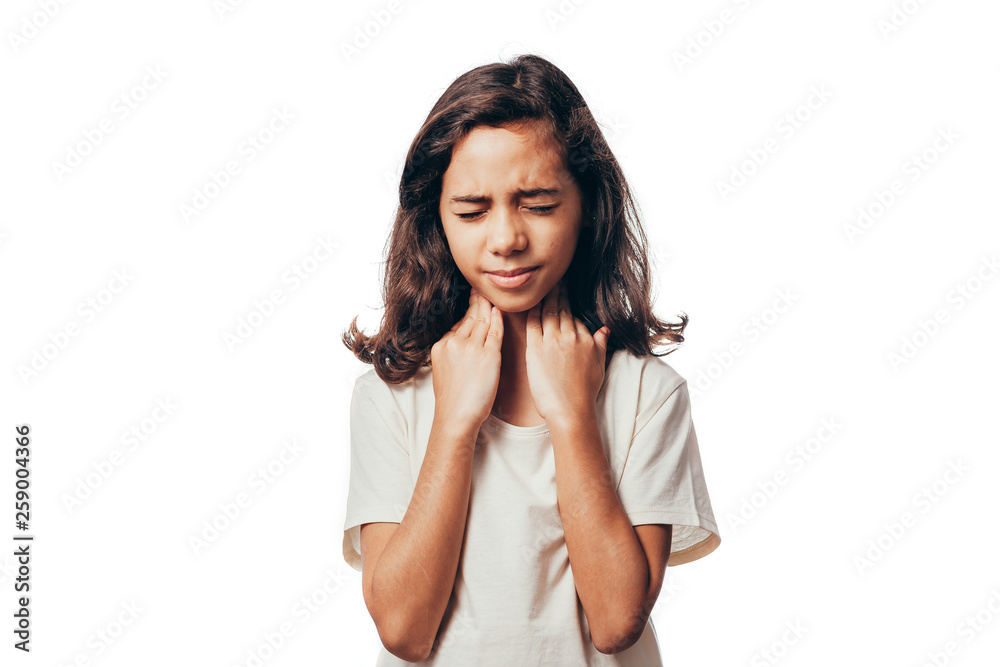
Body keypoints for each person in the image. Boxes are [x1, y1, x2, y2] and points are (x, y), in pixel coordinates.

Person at [340, 53, 722, 665]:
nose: (505, 238)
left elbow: (617, 619)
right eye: (470, 210)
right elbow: (403, 629)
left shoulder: (647, 392)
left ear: (589, 206)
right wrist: (454, 423)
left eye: (539, 204)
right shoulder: (391, 394)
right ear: (436, 220)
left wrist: (572, 417)